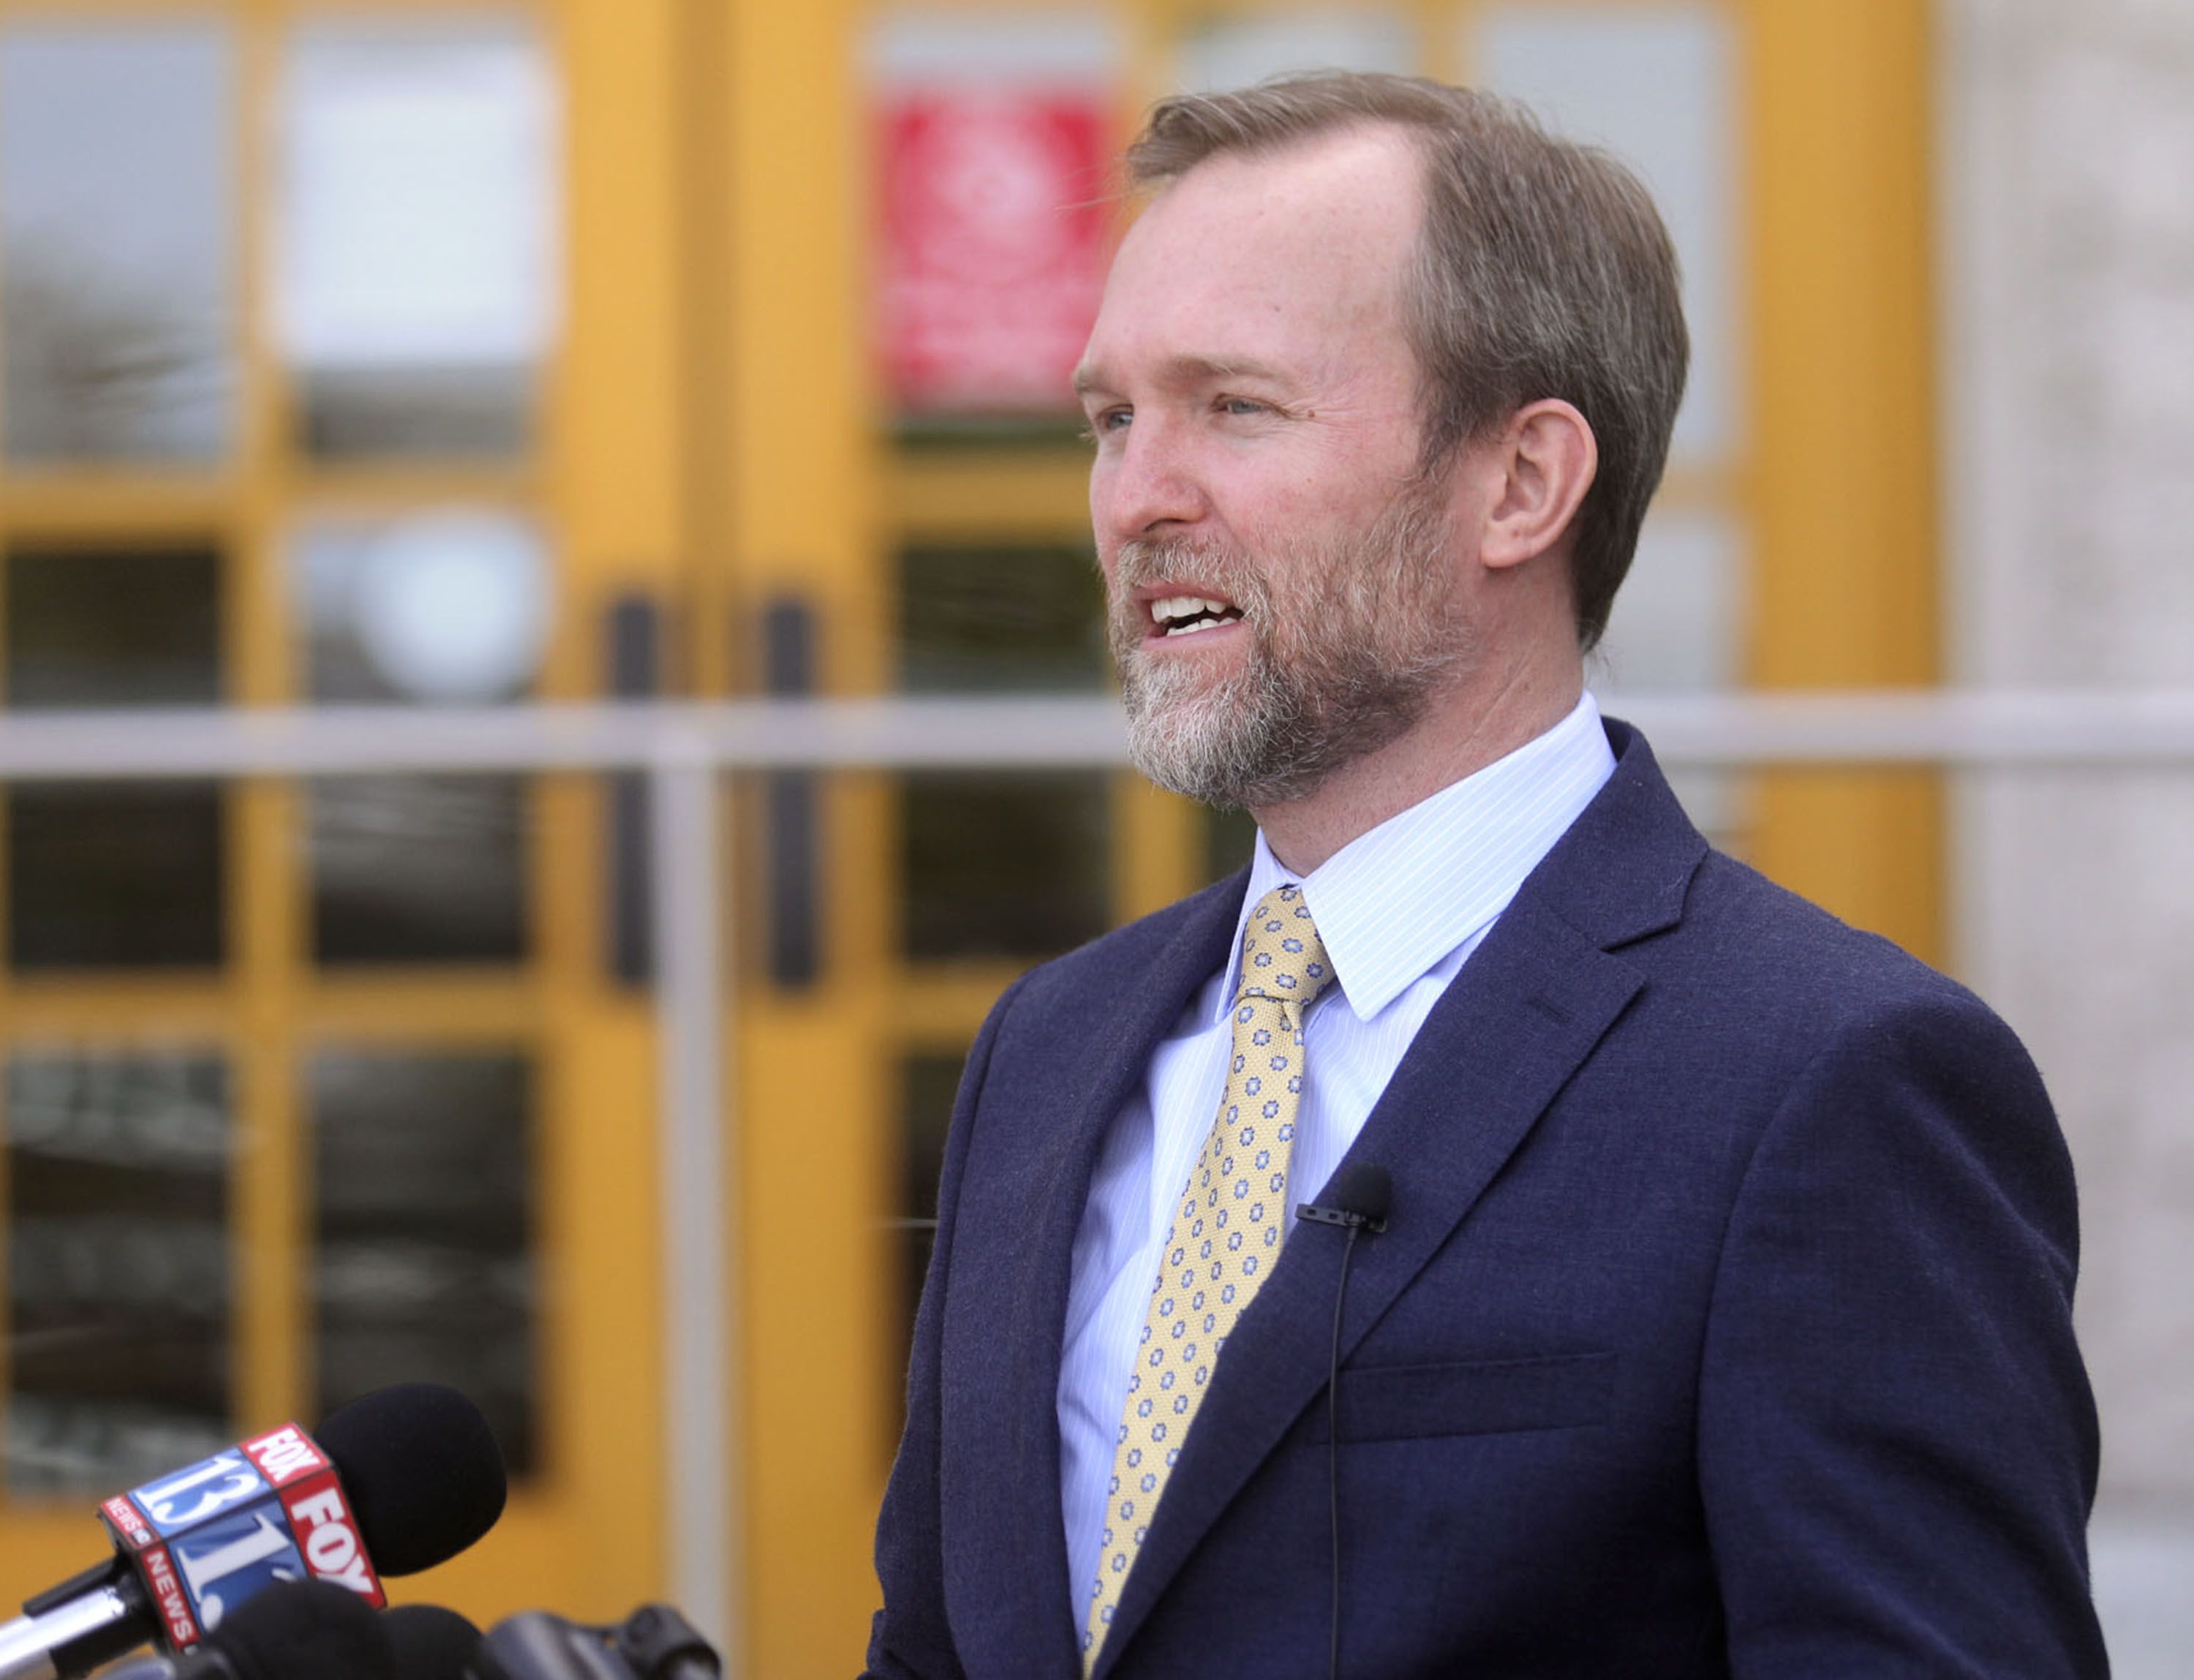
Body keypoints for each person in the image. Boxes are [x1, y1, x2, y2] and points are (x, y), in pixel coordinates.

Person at [864, 73, 2105, 1679]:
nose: (1138, 497)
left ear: (1521, 484)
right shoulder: (1046, 1049)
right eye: (1111, 419)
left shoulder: (1832, 1080)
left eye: (1236, 406)